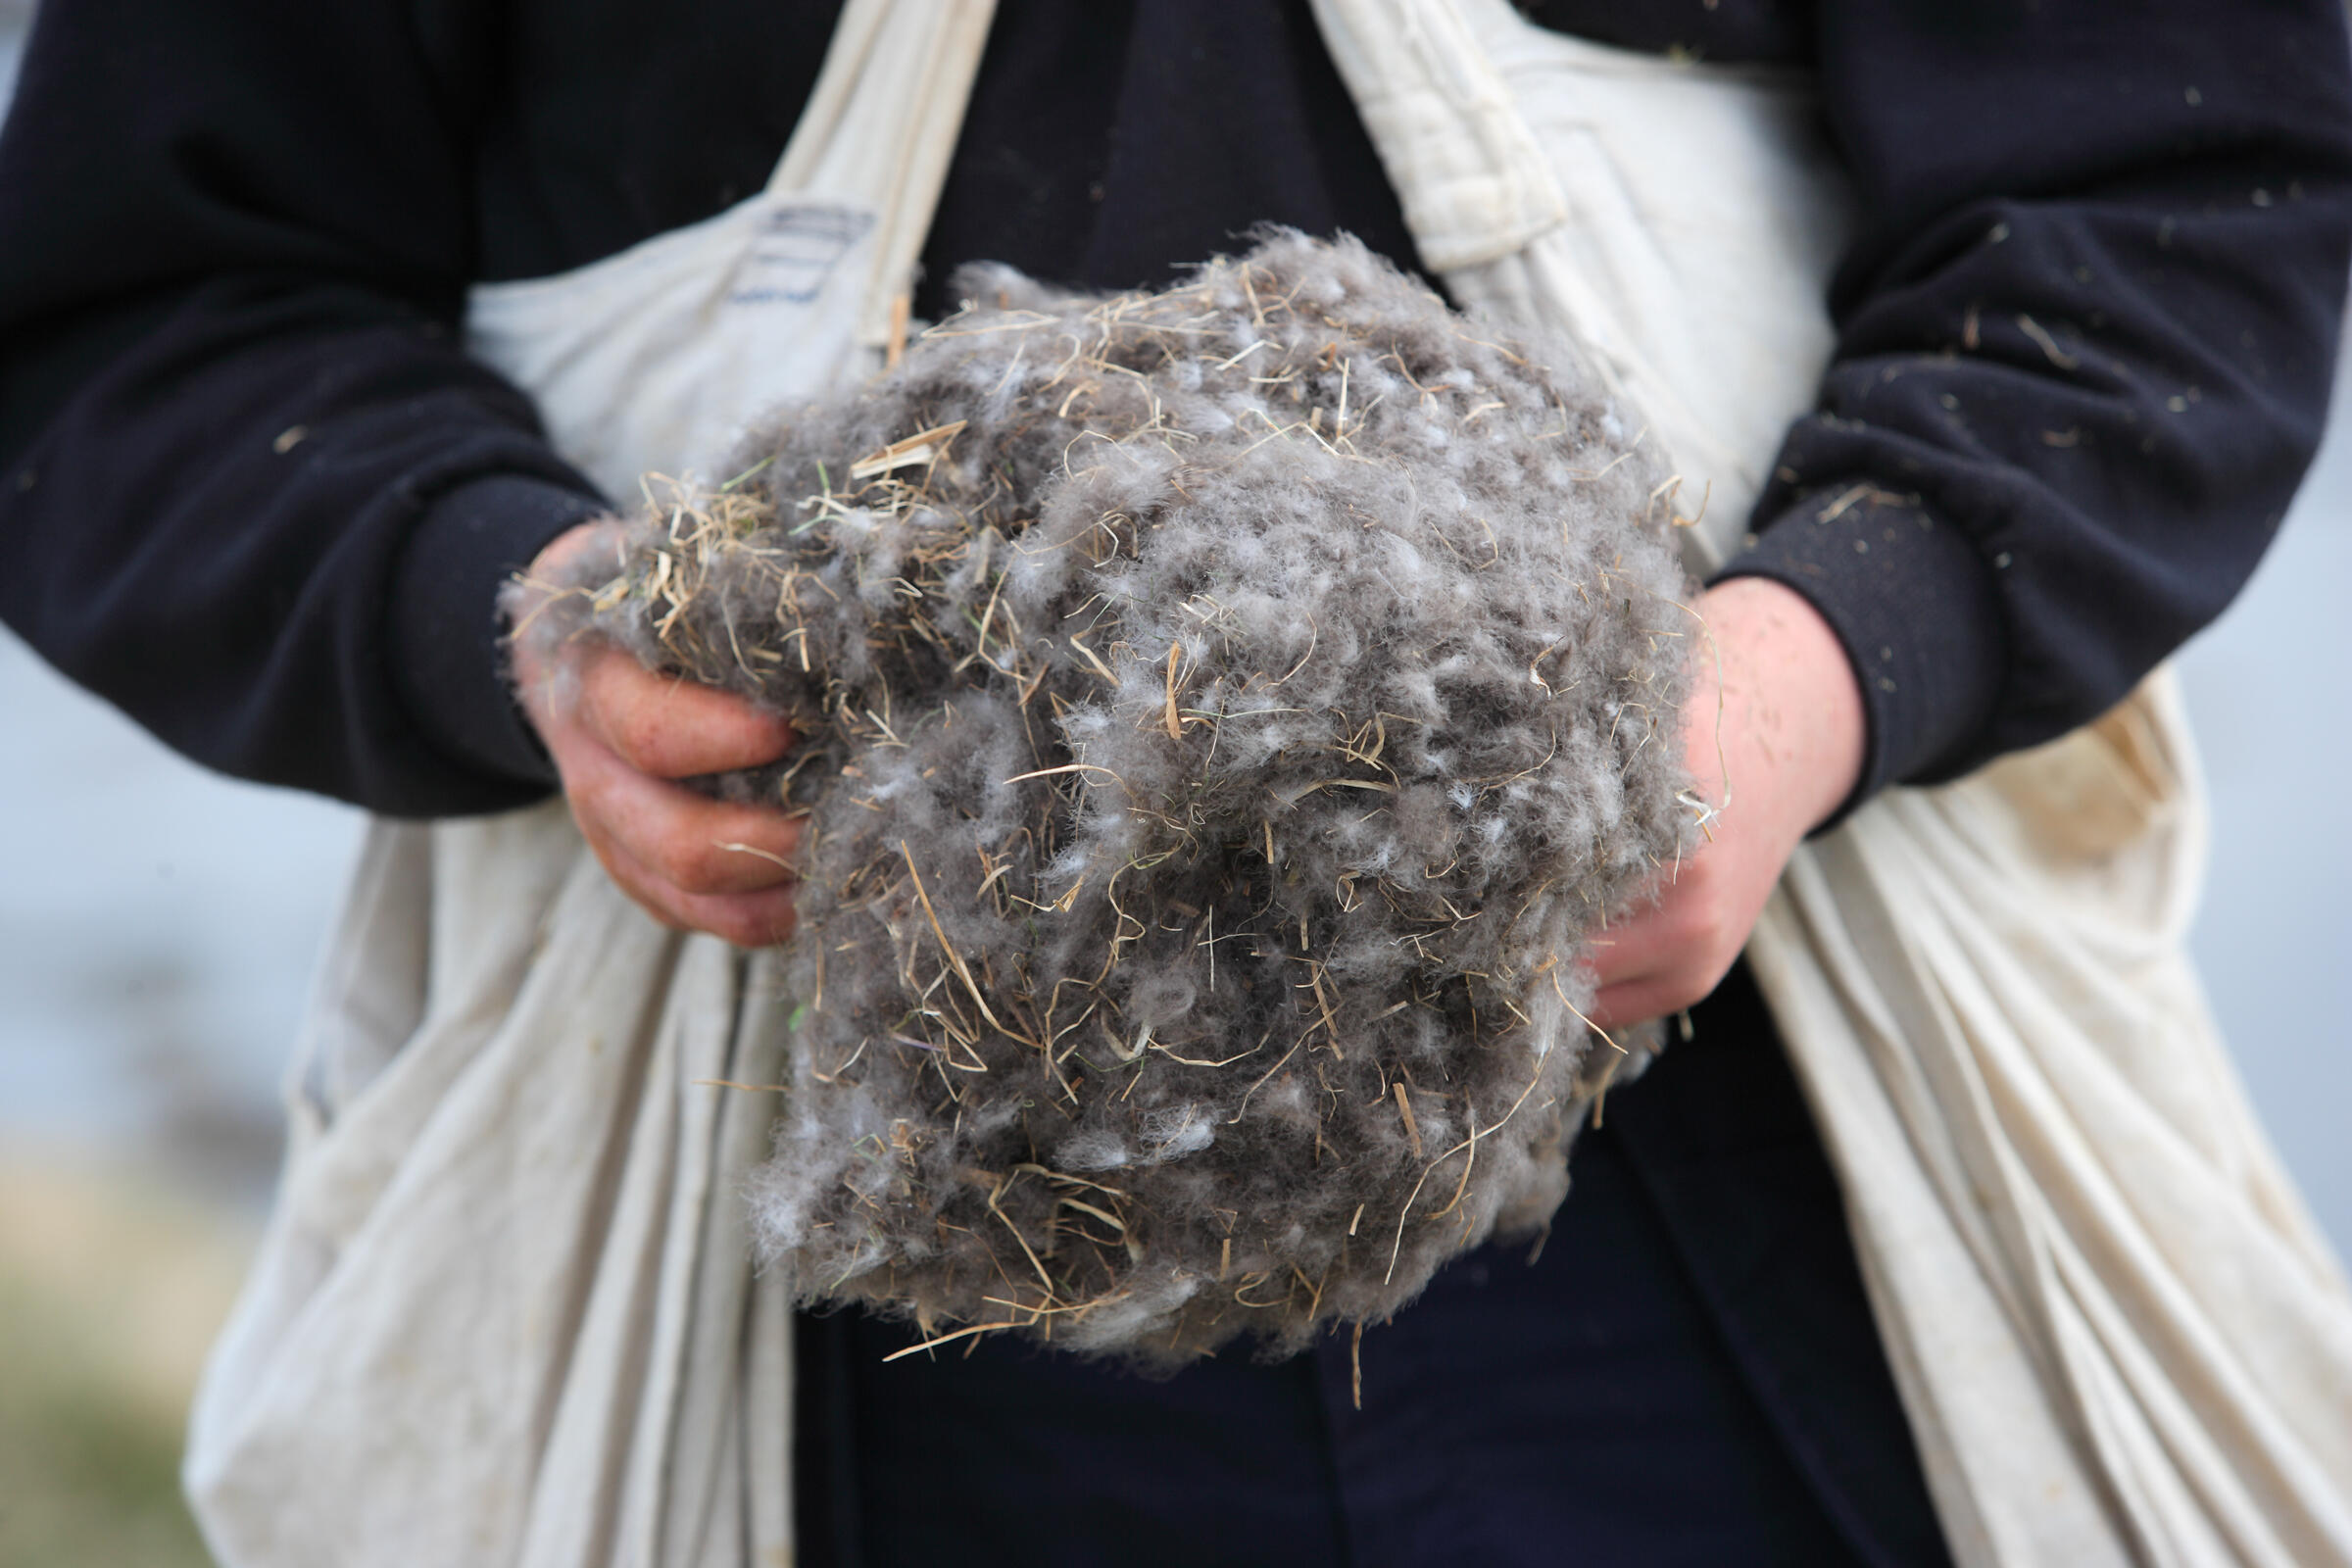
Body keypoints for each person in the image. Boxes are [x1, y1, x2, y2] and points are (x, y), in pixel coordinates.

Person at [2, 2, 2346, 1562]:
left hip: (1751, 1165)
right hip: (824, 1221)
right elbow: (144, 324)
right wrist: (510, 613)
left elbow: (2176, 192)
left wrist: (1807, 672)